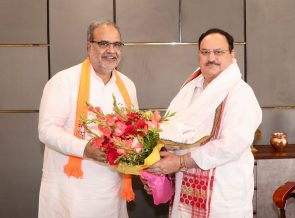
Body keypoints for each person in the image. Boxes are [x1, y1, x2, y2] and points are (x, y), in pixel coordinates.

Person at [146, 28, 262, 217]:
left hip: (221, 195)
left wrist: (181, 162)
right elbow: (172, 134)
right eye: (205, 52)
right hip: (185, 191)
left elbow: (232, 144)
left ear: (232, 55)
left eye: (219, 52)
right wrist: (158, 169)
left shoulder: (240, 93)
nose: (211, 58)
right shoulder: (190, 89)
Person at [38, 20, 138, 218]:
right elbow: (47, 130)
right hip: (71, 190)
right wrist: (85, 149)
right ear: (88, 46)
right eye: (104, 44)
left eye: (117, 44)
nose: (112, 50)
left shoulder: (127, 85)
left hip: (112, 189)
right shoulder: (63, 81)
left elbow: (133, 131)